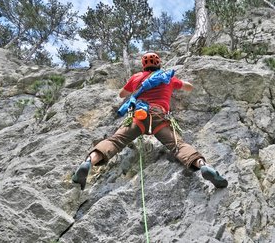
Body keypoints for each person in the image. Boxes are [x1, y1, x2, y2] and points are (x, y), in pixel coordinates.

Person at [72, 52, 228, 190]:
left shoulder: (136, 77)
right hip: (159, 116)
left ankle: (88, 162)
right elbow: (189, 87)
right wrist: (176, 83)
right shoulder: (168, 77)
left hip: (138, 116)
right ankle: (203, 166)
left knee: (115, 141)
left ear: (143, 65)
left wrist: (135, 86)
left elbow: (121, 94)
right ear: (158, 63)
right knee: (178, 146)